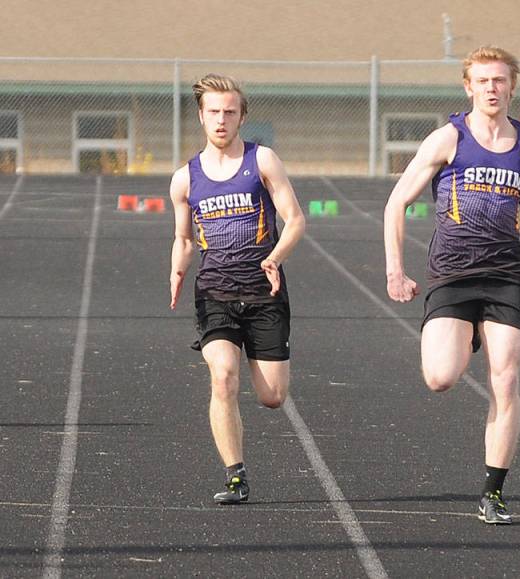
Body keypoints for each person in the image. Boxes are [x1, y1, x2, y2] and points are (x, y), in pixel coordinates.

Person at [383, 46, 520, 525]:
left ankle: (493, 491)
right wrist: (395, 269)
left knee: (505, 377)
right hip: (453, 274)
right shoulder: (448, 139)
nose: (492, 89)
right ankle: (469, 331)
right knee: (440, 378)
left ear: (511, 86)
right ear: (468, 87)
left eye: (499, 81)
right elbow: (395, 204)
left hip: (503, 276)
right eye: (482, 81)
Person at [168, 74, 306, 504]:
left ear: (242, 116)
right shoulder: (184, 179)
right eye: (214, 112)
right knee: (223, 377)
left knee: (272, 396)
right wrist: (176, 274)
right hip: (215, 294)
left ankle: (263, 359)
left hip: (264, 293)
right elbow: (185, 238)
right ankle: (235, 475)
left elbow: (296, 220)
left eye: (230, 112)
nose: (222, 119)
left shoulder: (262, 161)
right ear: (201, 116)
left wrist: (275, 256)